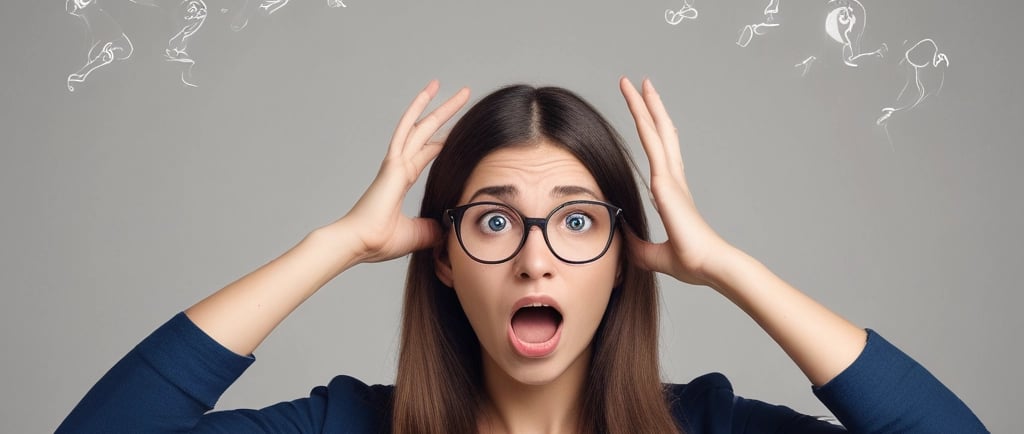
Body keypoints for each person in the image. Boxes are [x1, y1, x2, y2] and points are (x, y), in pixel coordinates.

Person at [57, 78, 987, 433]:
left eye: (577, 222)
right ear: (444, 257)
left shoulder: (710, 429)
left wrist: (729, 269)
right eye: (495, 222)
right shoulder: (347, 428)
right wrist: (333, 246)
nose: (536, 261)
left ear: (624, 257)